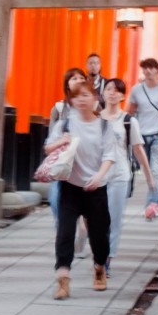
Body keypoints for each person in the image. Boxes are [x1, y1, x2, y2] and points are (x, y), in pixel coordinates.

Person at [43, 79, 121, 299]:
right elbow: (48, 148)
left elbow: (109, 156)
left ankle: (99, 268)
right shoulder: (65, 124)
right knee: (65, 233)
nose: (81, 100)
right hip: (70, 186)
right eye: (76, 96)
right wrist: (60, 142)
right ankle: (63, 279)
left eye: (86, 95)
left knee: (99, 235)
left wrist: (98, 177)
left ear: (95, 98)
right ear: (71, 100)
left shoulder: (104, 125)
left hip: (96, 188)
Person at [100, 77, 155, 276]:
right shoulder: (94, 118)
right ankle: (99, 252)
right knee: (97, 219)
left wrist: (149, 177)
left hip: (119, 176)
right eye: (108, 89)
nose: (112, 93)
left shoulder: (128, 121)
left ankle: (106, 259)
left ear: (123, 96)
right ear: (103, 93)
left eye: (116, 90)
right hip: (97, 176)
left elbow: (139, 150)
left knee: (114, 219)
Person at [127, 57, 158, 218]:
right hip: (140, 136)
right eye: (144, 68)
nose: (147, 71)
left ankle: (152, 204)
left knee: (154, 170)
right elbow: (129, 112)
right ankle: (155, 199)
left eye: (150, 68)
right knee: (145, 170)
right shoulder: (136, 90)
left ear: (157, 70)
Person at [47, 67, 90, 225]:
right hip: (63, 160)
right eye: (74, 78)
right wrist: (62, 140)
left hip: (85, 161)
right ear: (67, 85)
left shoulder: (94, 108)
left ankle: (81, 228)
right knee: (55, 198)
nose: (78, 81)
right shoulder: (58, 109)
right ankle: (64, 231)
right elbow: (51, 139)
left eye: (81, 78)